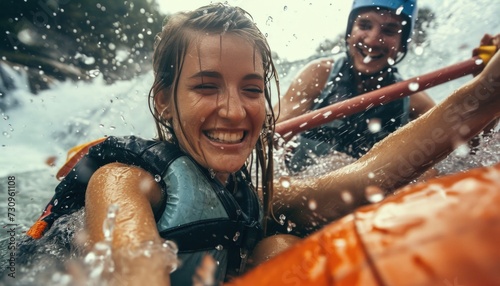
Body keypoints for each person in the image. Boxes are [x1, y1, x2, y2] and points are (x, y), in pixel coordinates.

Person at [22, 3, 500, 286]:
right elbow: (133, 263)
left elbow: (368, 174)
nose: (234, 110)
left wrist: (489, 90)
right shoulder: (123, 182)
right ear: (164, 101)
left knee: (278, 246)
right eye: (207, 86)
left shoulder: (254, 196)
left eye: (252, 89)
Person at [276, 0, 436, 172]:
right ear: (349, 32)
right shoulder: (319, 75)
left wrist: (470, 93)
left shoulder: (412, 100)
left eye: (389, 30)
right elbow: (267, 138)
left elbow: (459, 146)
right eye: (365, 25)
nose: (373, 41)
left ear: (402, 44)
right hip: (297, 187)